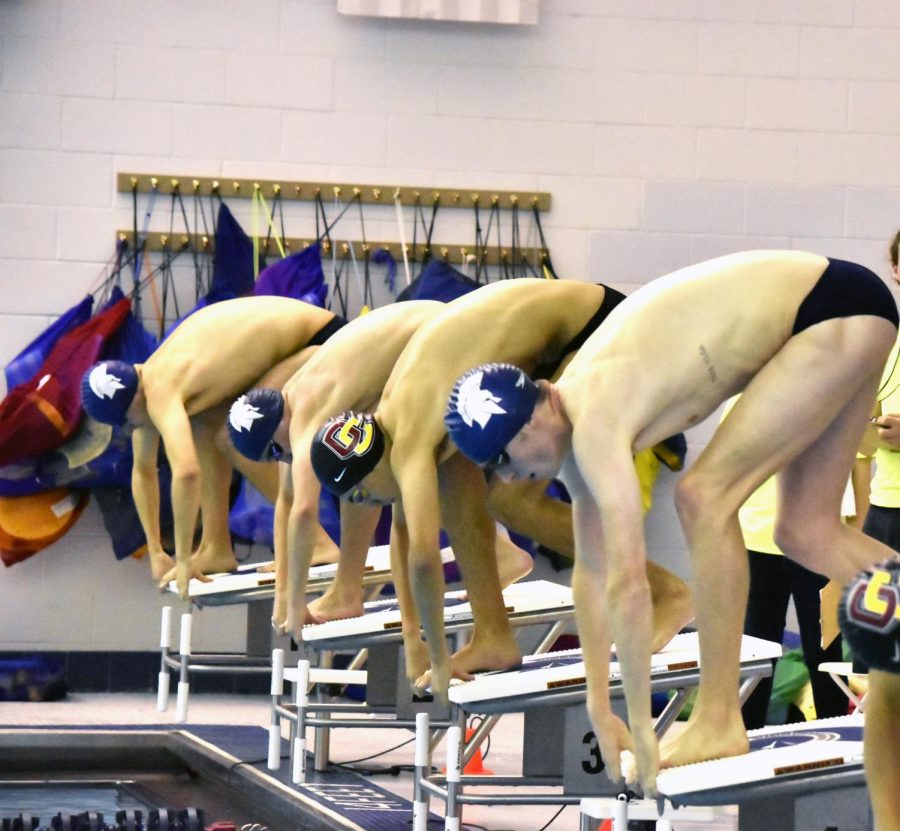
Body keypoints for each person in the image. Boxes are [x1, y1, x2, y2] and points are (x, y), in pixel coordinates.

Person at [444, 251, 899, 798]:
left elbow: (631, 587)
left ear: (532, 416)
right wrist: (598, 706)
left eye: (505, 459)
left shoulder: (594, 419)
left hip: (828, 309)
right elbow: (592, 575)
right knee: (805, 529)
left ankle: (717, 719)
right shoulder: (566, 427)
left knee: (703, 498)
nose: (512, 476)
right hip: (845, 304)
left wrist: (641, 728)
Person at [308, 277, 694, 693]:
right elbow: (405, 538)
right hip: (554, 340)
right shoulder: (398, 424)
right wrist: (413, 640)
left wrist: (436, 658)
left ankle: (667, 591)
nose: (372, 503)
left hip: (594, 328)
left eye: (364, 495)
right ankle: (494, 636)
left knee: (514, 502)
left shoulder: (411, 442)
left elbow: (423, 558)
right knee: (459, 486)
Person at [81, 296, 346, 597]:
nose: (132, 431)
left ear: (133, 403)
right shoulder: (146, 383)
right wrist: (155, 550)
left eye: (128, 424)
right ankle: (215, 546)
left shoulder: (160, 389)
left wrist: (181, 559)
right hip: (311, 344)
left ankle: (318, 544)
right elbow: (143, 472)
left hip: (330, 343)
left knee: (234, 437)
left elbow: (187, 472)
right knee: (203, 424)